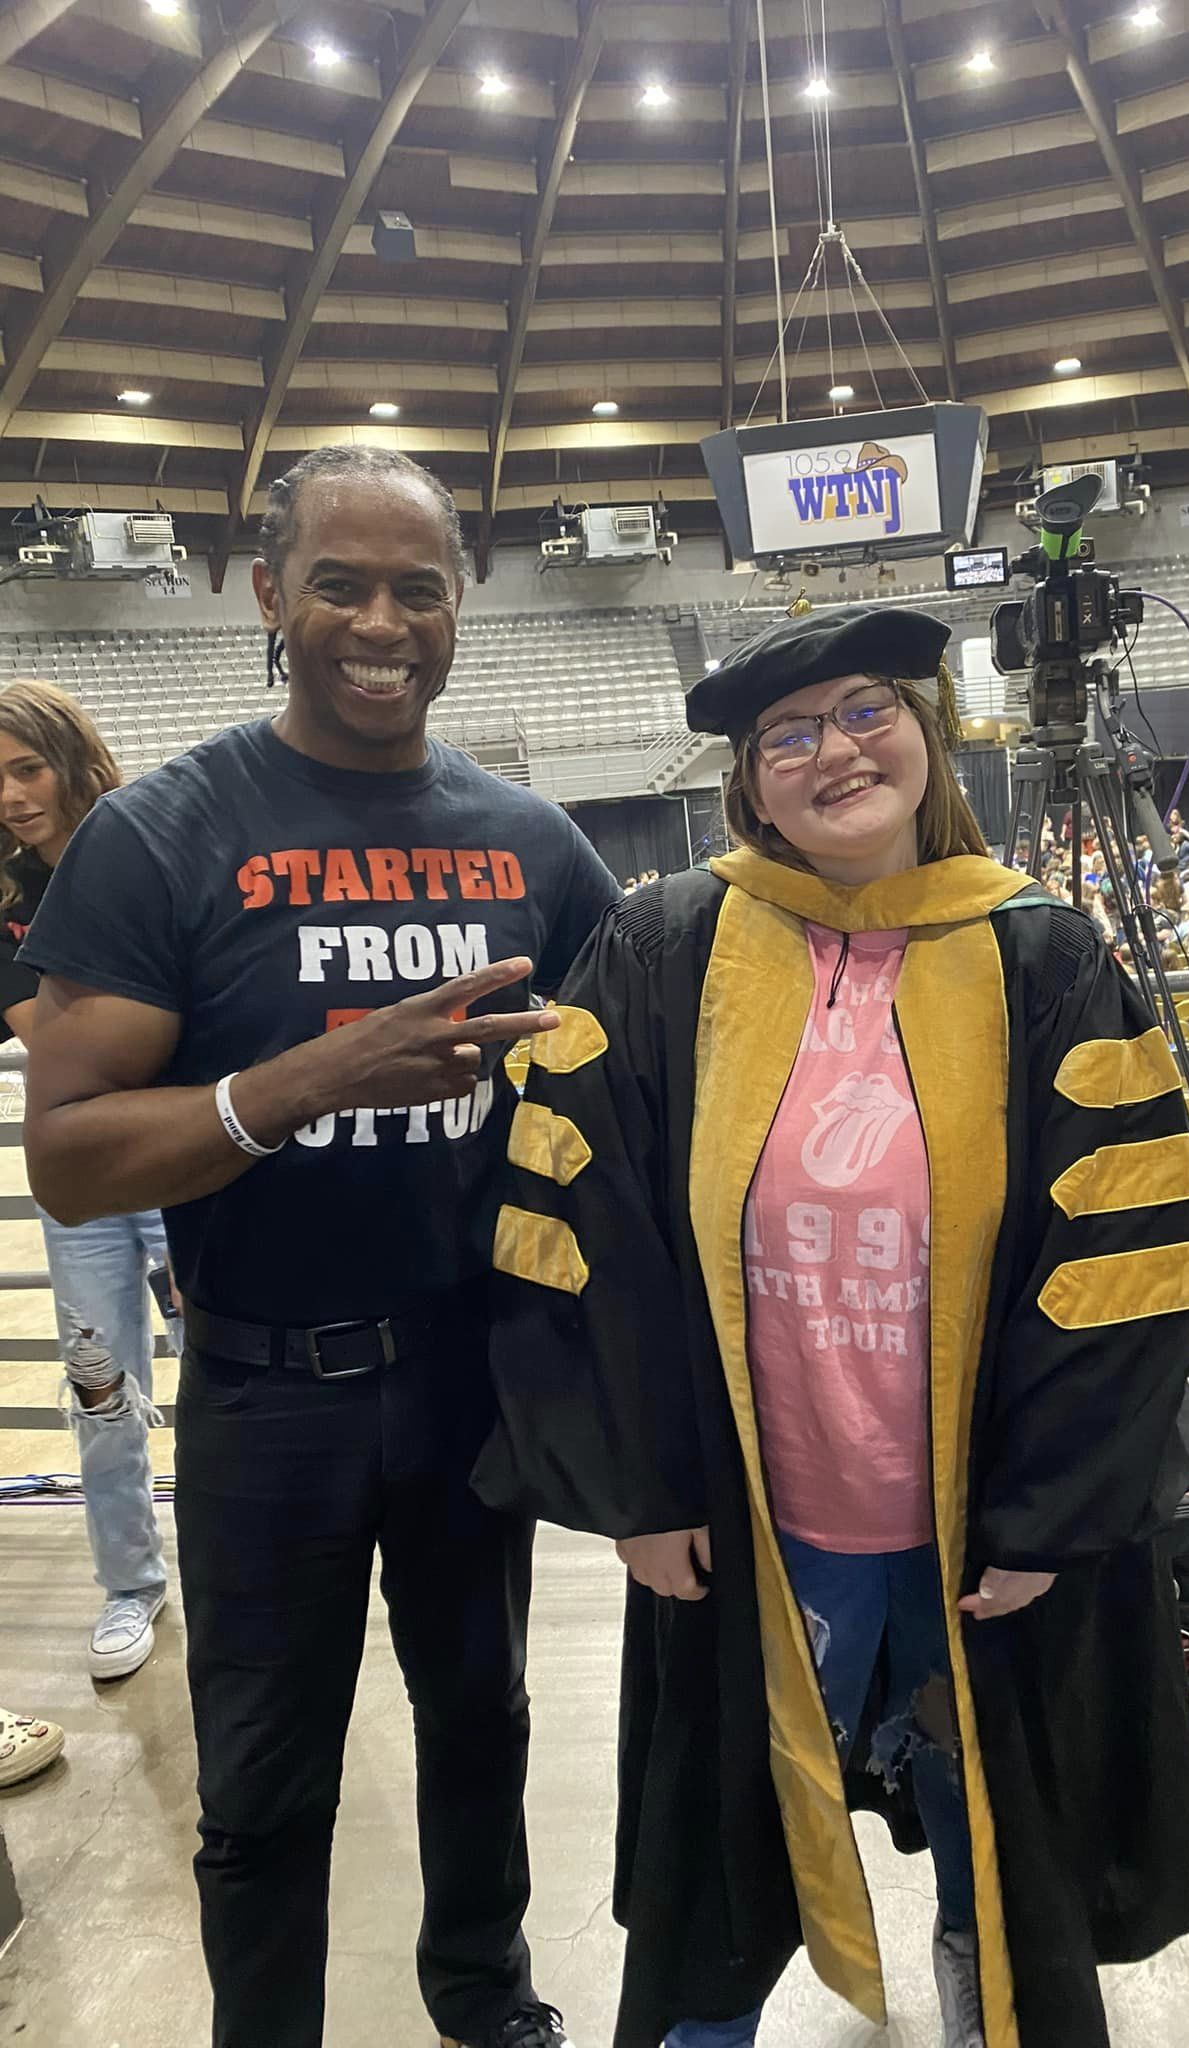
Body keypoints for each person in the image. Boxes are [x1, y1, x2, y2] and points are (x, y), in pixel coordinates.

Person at [474, 605, 1189, 2048]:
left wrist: (1048, 1514)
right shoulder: (662, 950)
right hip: (751, 1516)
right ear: (752, 785)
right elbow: (576, 1228)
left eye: (868, 709)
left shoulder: (1046, 958)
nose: (836, 750)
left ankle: (976, 1977)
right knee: (727, 1833)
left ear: (927, 733)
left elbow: (1121, 1259)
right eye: (788, 735)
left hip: (974, 1522)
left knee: (986, 1807)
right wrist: (639, 1492)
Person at [19, 446, 618, 2048]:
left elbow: (640, 1088)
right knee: (265, 1785)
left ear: (459, 605)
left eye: (419, 588)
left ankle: (487, 2005)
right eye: (340, 584)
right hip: (267, 1389)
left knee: (483, 1726)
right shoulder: (160, 835)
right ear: (270, 593)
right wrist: (307, 1082)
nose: (381, 623)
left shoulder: (534, 846)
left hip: (472, 1379)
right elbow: (69, 1157)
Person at [0, 681, 177, 1679]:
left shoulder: (153, 849)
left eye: (28, 768)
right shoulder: (4, 896)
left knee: (227, 1369)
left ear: (72, 758)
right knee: (99, 1388)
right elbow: (56, 1043)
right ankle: (130, 1583)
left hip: (186, 1161)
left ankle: (261, 1565)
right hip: (81, 1183)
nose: (12, 796)